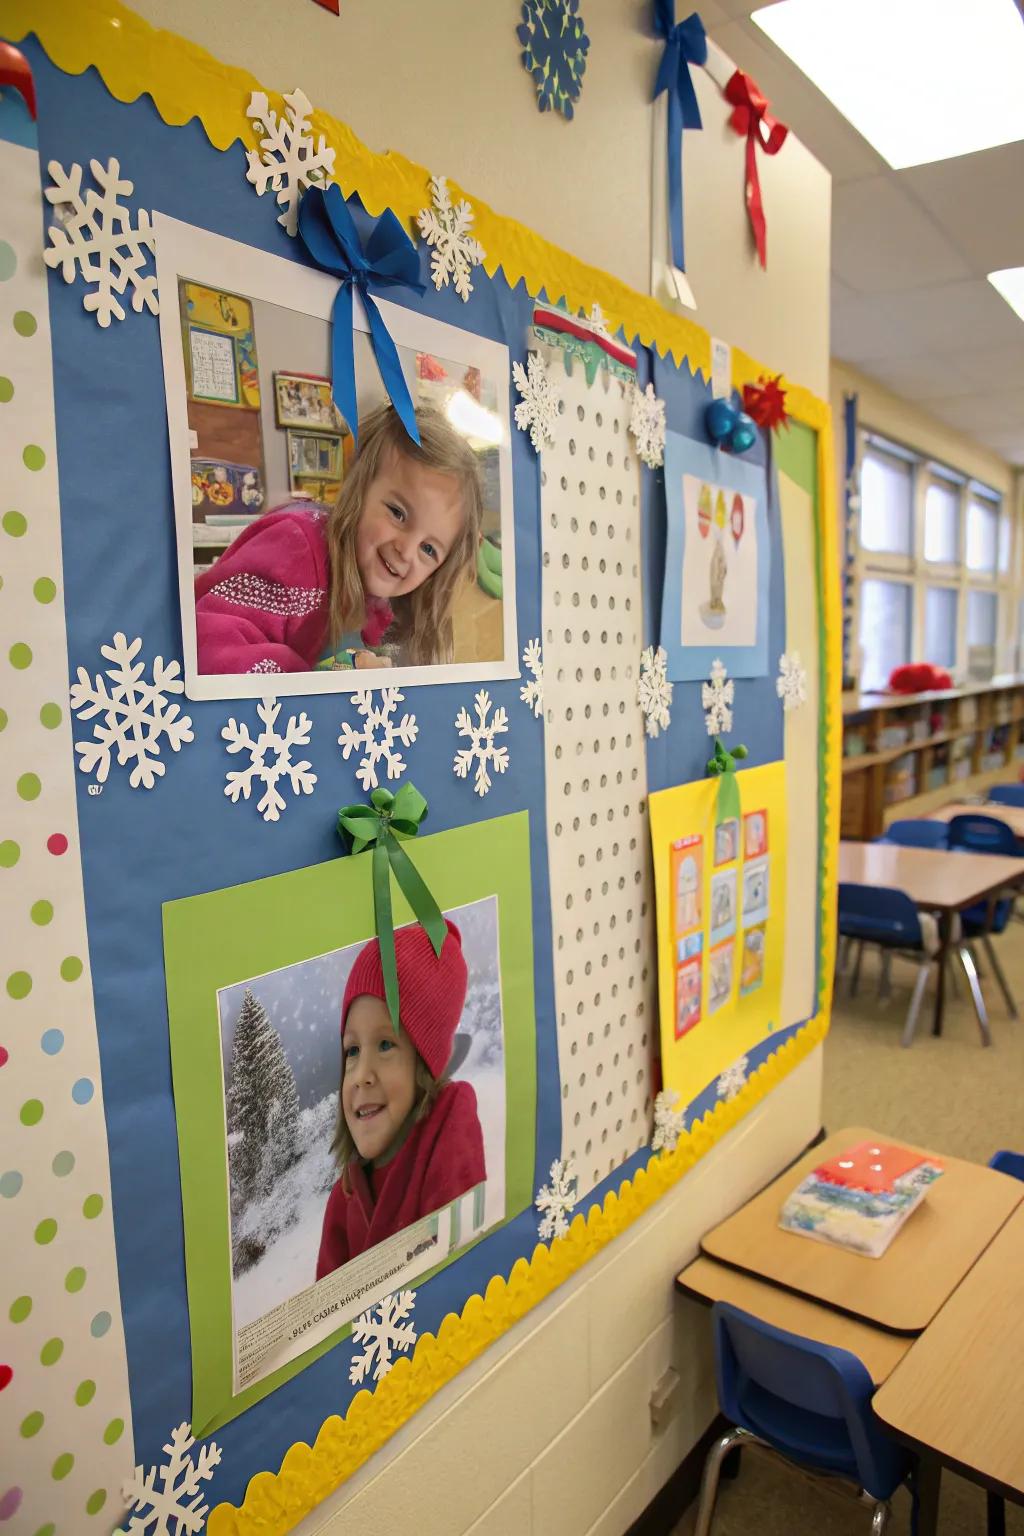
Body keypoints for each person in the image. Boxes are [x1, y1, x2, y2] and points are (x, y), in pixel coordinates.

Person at [195, 402, 483, 674]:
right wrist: (327, 680)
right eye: (397, 513)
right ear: (359, 489)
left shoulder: (377, 588)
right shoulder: (296, 545)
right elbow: (208, 646)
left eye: (429, 549)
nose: (406, 551)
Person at [316, 919, 486, 1280]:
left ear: (424, 1062)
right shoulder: (342, 1200)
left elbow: (454, 1277)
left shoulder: (449, 1128)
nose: (361, 1073)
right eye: (352, 1050)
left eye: (385, 1044)